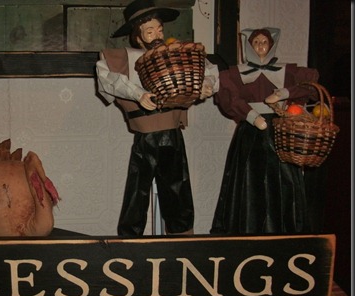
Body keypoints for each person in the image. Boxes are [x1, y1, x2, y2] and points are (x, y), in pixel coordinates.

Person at [96, 0, 218, 236]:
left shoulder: (176, 54)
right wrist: (137, 94)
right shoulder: (128, 58)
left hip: (172, 133)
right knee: (137, 191)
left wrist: (206, 85)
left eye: (159, 30)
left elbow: (209, 70)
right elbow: (107, 77)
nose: (156, 35)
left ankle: (182, 240)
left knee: (178, 188)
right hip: (146, 135)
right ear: (138, 36)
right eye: (149, 31)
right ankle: (130, 242)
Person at [210, 27, 326, 235]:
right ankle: (247, 233)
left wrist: (284, 93)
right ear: (249, 46)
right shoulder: (236, 73)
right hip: (250, 130)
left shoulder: (288, 71)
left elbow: (311, 84)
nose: (260, 46)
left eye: (264, 42)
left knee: (283, 180)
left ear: (271, 45)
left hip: (280, 130)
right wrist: (252, 116)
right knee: (249, 180)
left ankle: (285, 234)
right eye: (256, 43)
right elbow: (230, 97)